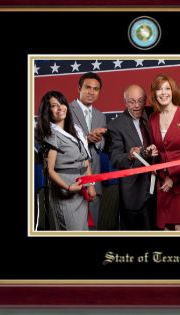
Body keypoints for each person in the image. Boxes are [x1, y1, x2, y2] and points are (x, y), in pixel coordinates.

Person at [143, 75, 180, 231]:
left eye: (167, 88)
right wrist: (151, 151)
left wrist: (172, 177)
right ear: (154, 93)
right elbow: (157, 149)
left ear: (173, 91)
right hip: (162, 182)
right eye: (159, 89)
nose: (163, 93)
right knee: (165, 228)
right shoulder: (153, 118)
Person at [102, 83, 157, 230]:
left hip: (158, 188)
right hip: (133, 191)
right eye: (132, 102)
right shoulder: (116, 125)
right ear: (125, 102)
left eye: (140, 101)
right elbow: (115, 158)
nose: (137, 105)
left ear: (145, 100)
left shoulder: (153, 114)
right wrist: (130, 156)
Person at [36, 89, 94, 231]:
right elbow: (49, 170)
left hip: (81, 187)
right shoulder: (51, 135)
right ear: (47, 111)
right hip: (65, 190)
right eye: (54, 105)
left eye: (61, 103)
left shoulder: (76, 131)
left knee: (83, 230)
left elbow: (85, 160)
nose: (60, 107)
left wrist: (91, 183)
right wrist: (68, 187)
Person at [68, 73, 114, 231]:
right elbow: (62, 144)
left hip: (95, 179)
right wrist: (86, 139)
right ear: (79, 88)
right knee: (72, 227)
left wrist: (98, 139)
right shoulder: (66, 110)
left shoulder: (101, 115)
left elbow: (102, 146)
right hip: (72, 179)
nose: (91, 92)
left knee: (93, 227)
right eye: (88, 87)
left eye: (96, 89)